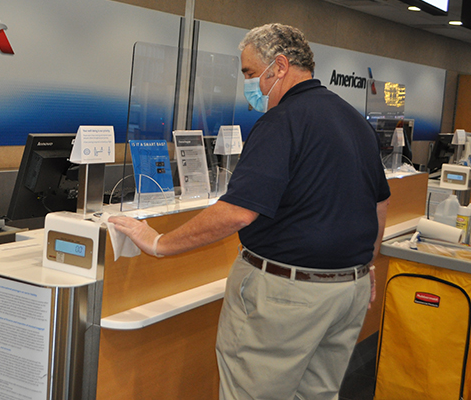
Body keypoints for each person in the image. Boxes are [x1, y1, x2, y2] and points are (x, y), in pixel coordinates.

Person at [109, 23, 391, 400]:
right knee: (318, 395)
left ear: (278, 66)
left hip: (287, 296)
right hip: (349, 291)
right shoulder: (353, 119)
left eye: (249, 73)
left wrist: (159, 242)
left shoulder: (281, 122)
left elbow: (238, 212)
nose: (248, 87)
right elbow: (380, 201)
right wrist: (362, 264)